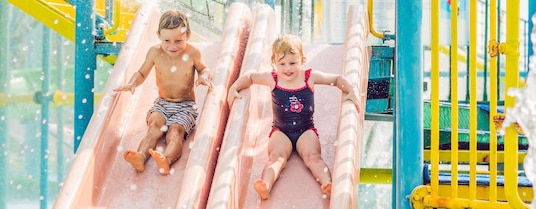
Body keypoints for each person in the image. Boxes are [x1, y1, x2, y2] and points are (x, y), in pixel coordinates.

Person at [227, 35, 361, 200]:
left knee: (313, 157)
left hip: (306, 130)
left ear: (302, 60)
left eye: (292, 63)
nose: (287, 68)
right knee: (276, 156)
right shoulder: (272, 78)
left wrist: (351, 91)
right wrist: (234, 87)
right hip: (281, 131)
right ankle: (266, 186)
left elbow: (336, 79)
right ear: (274, 63)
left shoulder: (309, 77)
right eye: (282, 64)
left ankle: (327, 184)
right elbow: (250, 77)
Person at [114, 10, 212, 175]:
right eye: (167, 40)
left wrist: (204, 77)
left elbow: (204, 68)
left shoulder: (192, 53)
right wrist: (132, 83)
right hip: (162, 103)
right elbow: (142, 73)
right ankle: (140, 156)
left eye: (178, 41)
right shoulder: (155, 52)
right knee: (154, 128)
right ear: (158, 35)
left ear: (188, 35)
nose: (172, 46)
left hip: (185, 106)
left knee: (175, 131)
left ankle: (166, 160)